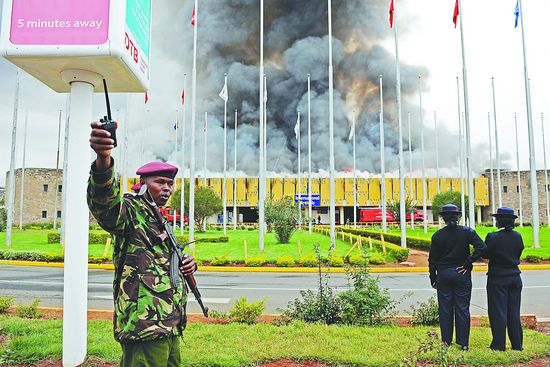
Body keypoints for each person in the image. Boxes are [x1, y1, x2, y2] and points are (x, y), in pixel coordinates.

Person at [87, 121, 197, 366]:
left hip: (169, 322)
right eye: (160, 182)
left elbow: (164, 261)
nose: (167, 188)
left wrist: (187, 264)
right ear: (144, 183)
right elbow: (105, 205)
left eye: (170, 184)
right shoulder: (131, 210)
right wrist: (103, 161)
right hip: (144, 324)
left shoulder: (159, 218)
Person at [428, 204, 486, 351]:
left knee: (445, 309)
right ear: (458, 217)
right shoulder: (467, 232)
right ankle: (463, 344)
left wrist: (432, 277)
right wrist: (468, 262)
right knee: (462, 308)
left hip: (444, 274)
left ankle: (446, 341)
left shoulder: (437, 235)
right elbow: (482, 248)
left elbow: (432, 260)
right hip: (462, 273)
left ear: (443, 218)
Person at [484, 207, 524, 351]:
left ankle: (499, 345)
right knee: (514, 312)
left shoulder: (492, 237)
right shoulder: (517, 236)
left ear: (498, 221)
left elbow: (486, 254)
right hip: (515, 277)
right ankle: (517, 345)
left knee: (498, 312)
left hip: (497, 277)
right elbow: (519, 250)